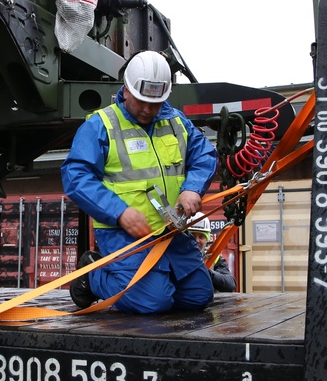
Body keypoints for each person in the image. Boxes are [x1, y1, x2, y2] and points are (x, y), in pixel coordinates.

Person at [61, 50, 218, 314]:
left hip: (171, 232)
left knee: (199, 297)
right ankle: (92, 276)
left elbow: (204, 155)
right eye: (142, 101)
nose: (147, 110)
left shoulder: (177, 121)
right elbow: (76, 176)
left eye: (155, 103)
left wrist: (192, 188)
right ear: (126, 90)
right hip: (125, 235)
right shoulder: (101, 125)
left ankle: (154, 284)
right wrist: (119, 212)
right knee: (152, 302)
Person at [186, 212, 237, 292]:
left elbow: (230, 284)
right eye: (192, 236)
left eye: (201, 236)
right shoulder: (176, 256)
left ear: (206, 239)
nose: (197, 240)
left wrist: (208, 273)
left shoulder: (212, 258)